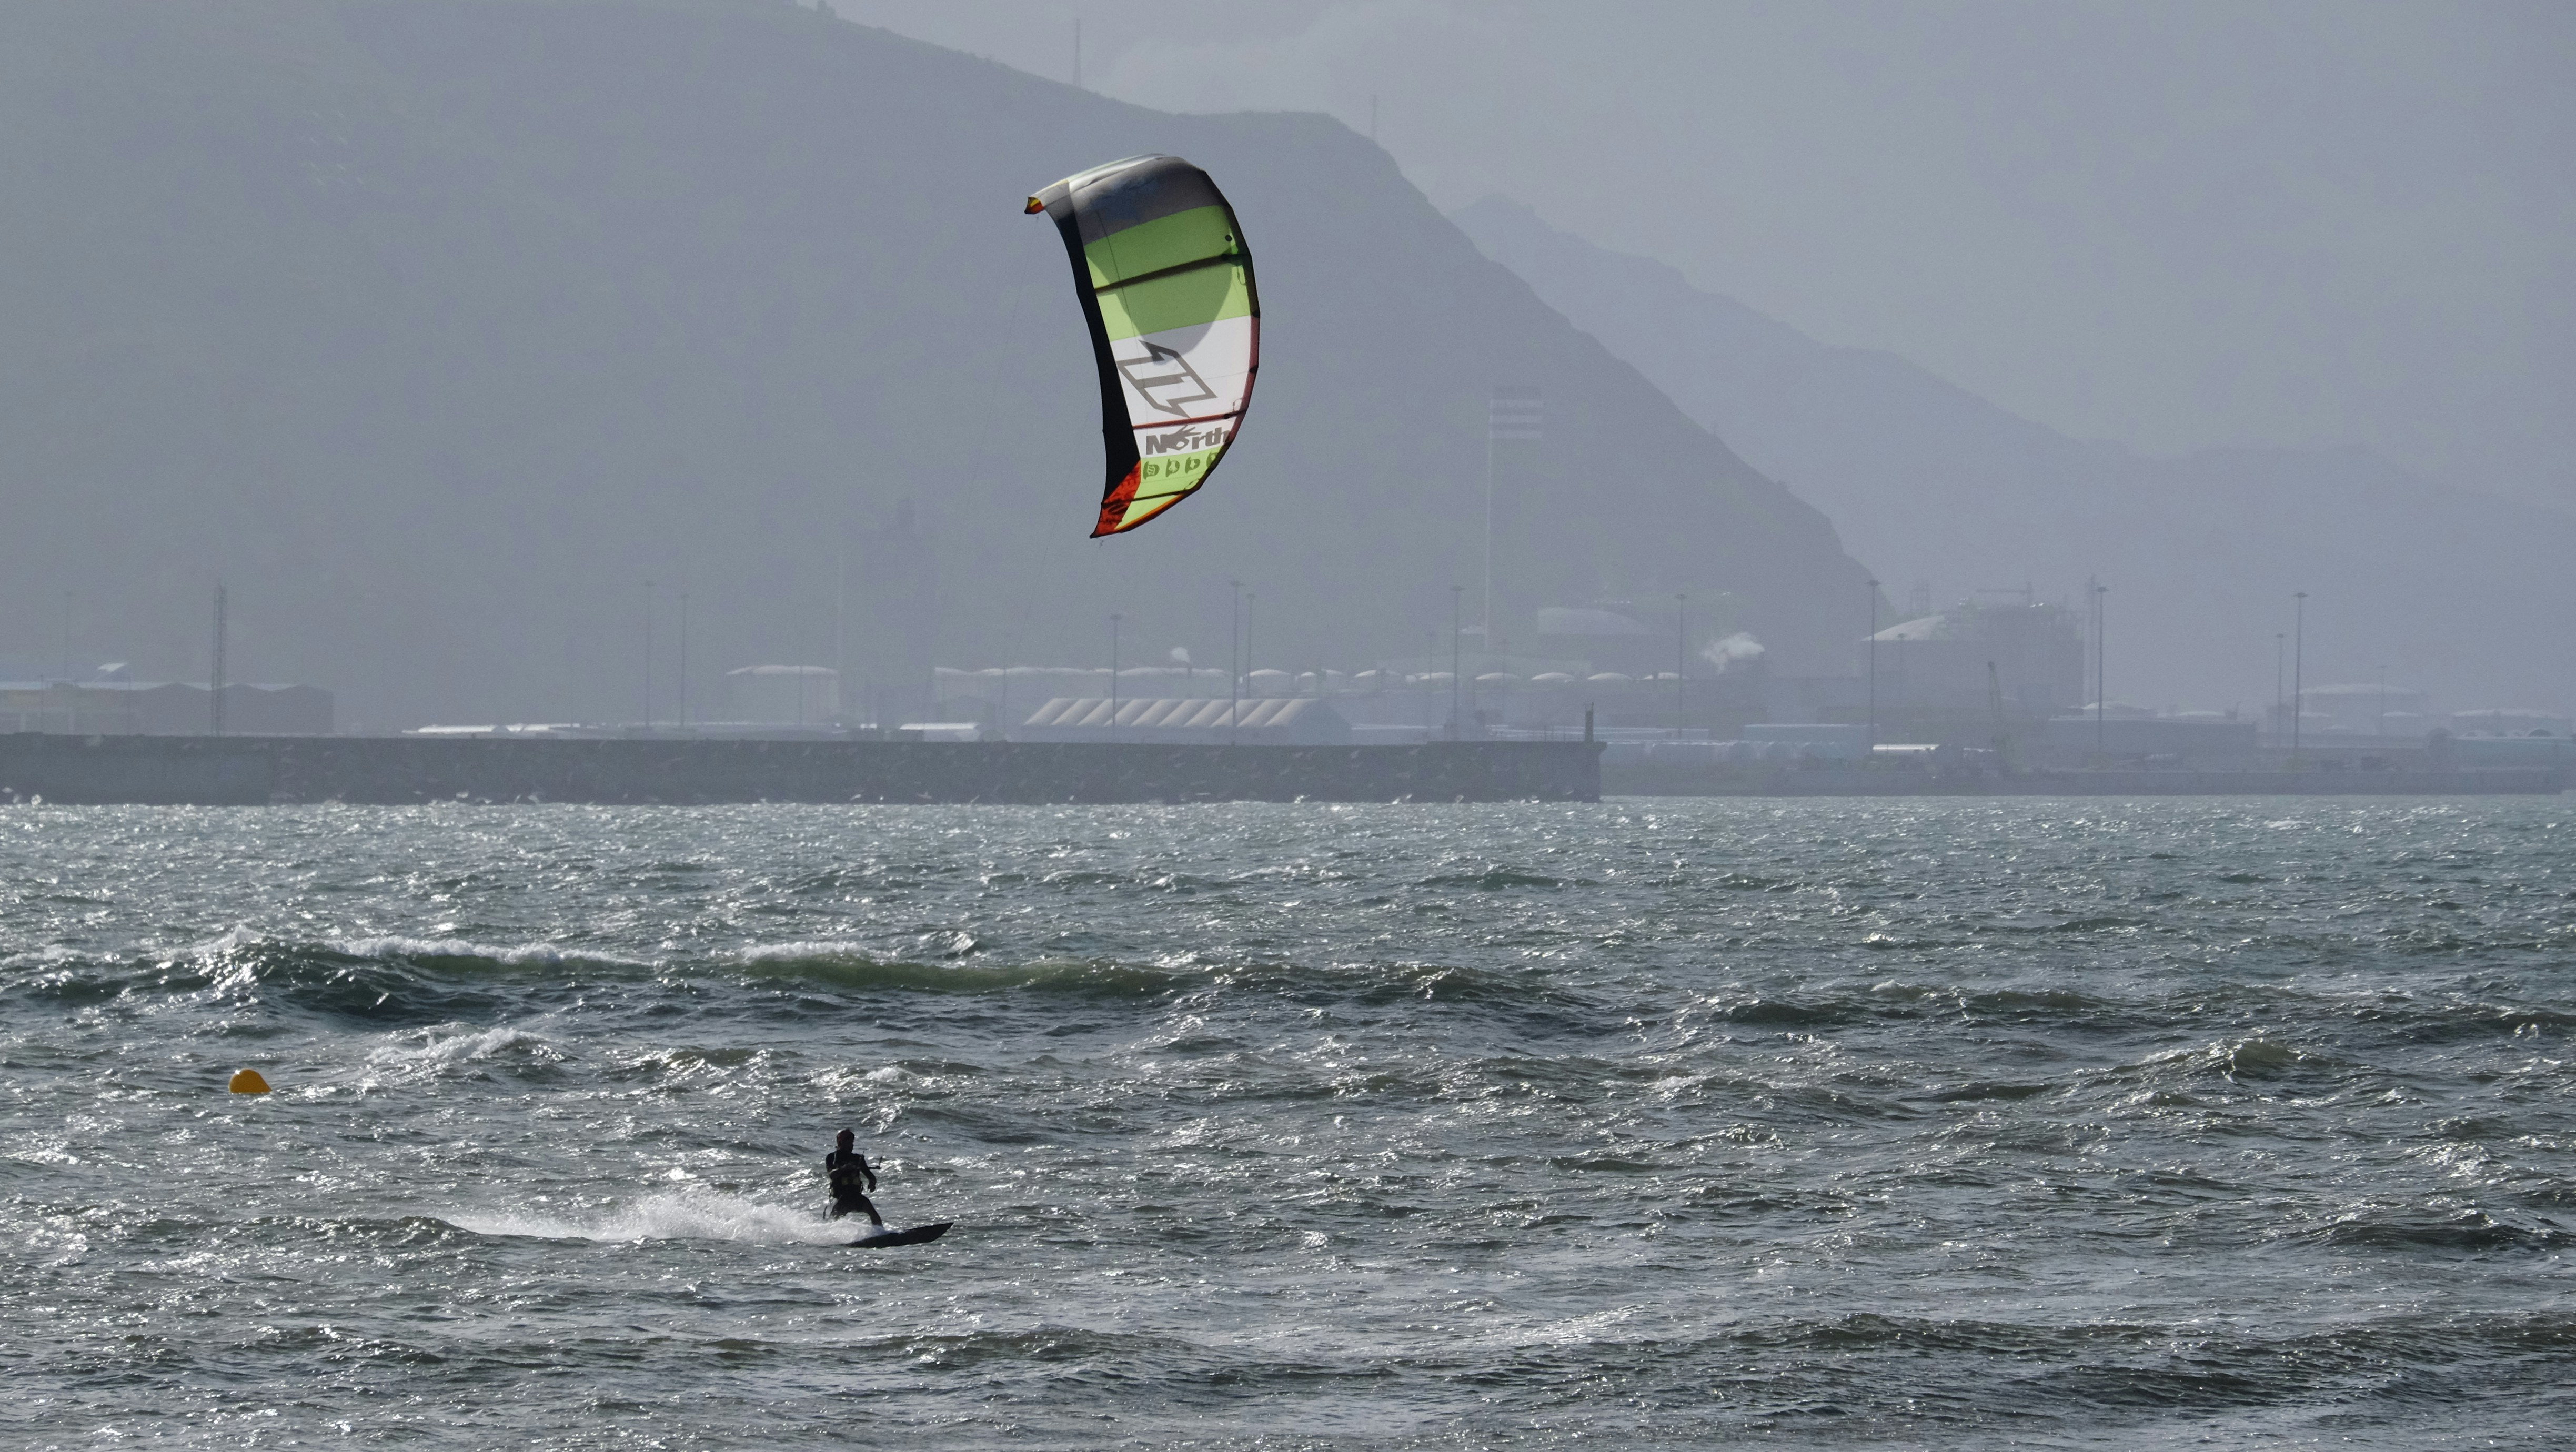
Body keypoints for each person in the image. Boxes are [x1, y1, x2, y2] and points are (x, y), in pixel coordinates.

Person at [823, 1129, 882, 1226]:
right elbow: (832, 1175)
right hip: (841, 1197)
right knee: (835, 1220)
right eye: (849, 1142)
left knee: (874, 1214)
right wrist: (843, 1169)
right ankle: (832, 1237)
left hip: (855, 1196)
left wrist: (872, 1183)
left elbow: (869, 1174)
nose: (852, 1145)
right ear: (841, 1142)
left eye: (852, 1142)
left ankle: (881, 1233)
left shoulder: (857, 1158)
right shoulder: (832, 1157)